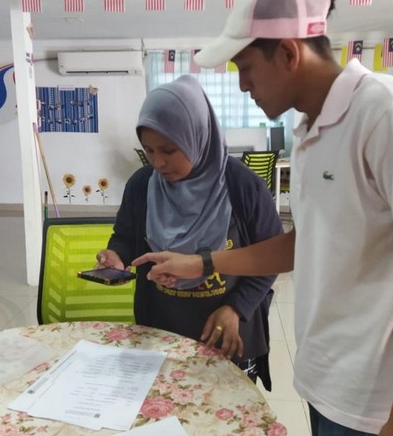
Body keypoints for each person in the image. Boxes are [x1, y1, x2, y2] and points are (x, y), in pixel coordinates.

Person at [133, 0, 393, 436]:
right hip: (333, 381)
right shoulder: (311, 131)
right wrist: (205, 262)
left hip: (384, 402)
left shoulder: (384, 111)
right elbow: (306, 242)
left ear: (289, 53)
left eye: (246, 68)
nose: (243, 85)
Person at [96, 74, 283, 390]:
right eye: (149, 150)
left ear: (197, 136)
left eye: (169, 149)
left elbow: (271, 257)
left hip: (226, 332)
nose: (158, 162)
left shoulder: (242, 187)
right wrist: (117, 255)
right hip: (160, 330)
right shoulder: (142, 185)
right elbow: (125, 236)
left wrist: (236, 308)